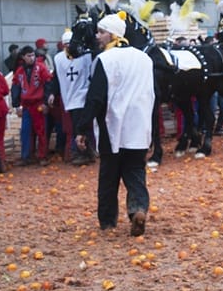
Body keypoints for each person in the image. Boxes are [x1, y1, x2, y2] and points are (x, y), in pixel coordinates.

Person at [75, 13, 154, 236]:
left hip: (113, 127)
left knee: (109, 175)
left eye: (101, 32)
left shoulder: (105, 60)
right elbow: (152, 95)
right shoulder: (144, 59)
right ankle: (138, 209)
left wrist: (82, 127)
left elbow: (96, 98)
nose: (97, 36)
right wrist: (152, 132)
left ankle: (108, 222)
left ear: (112, 34)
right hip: (139, 126)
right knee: (136, 172)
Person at [49, 29, 95, 165]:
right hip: (70, 96)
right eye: (67, 44)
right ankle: (84, 153)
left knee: (82, 127)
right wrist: (53, 92)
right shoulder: (59, 59)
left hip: (84, 95)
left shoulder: (85, 56)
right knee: (76, 127)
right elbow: (57, 77)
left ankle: (85, 153)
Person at [11, 46, 52, 166]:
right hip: (26, 106)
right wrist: (16, 105)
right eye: (28, 56)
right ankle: (26, 156)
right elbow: (15, 87)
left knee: (41, 131)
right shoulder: (20, 71)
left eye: (33, 55)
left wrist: (46, 103)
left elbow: (48, 84)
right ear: (23, 57)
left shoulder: (41, 68)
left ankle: (42, 156)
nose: (31, 58)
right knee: (25, 131)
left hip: (38, 104)